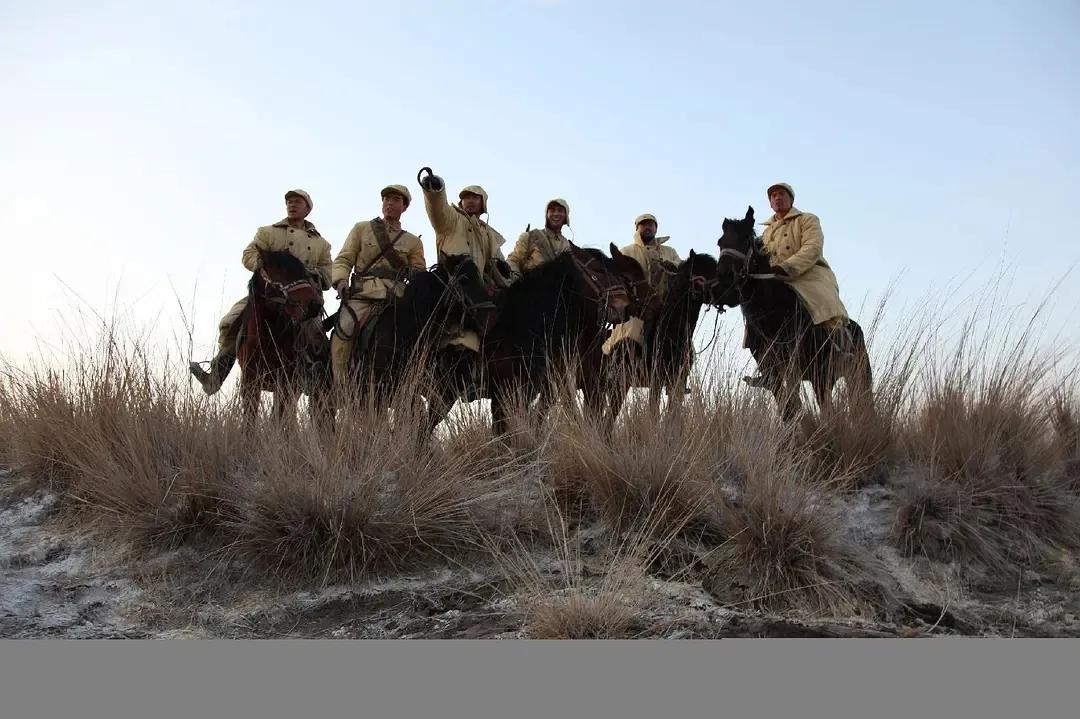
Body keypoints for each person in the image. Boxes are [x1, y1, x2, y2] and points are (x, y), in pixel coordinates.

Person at [188, 189, 332, 395]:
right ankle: (217, 374)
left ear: (308, 209)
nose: (292, 205)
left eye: (298, 202)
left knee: (317, 335)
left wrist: (311, 274)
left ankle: (314, 377)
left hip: (299, 298)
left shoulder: (321, 243)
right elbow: (249, 253)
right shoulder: (268, 232)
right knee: (233, 320)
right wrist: (262, 265)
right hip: (268, 295)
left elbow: (328, 272)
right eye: (289, 202)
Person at [744, 182, 851, 385]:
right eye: (773, 196)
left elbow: (812, 248)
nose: (777, 198)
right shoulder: (765, 232)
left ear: (790, 198)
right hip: (775, 280)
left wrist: (788, 267)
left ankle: (842, 349)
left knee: (824, 305)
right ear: (770, 203)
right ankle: (767, 369)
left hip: (808, 275)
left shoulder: (807, 219)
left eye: (781, 194)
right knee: (754, 317)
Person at [329, 184, 426, 386]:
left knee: (421, 335)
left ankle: (414, 384)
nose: (389, 203)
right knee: (343, 332)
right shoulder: (362, 228)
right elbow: (344, 259)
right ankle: (339, 383)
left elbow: (419, 274)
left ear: (404, 207)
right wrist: (340, 281)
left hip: (397, 296)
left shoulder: (413, 242)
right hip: (364, 293)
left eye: (396, 200)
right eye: (386, 199)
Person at [601, 213, 681, 358]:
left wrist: (671, 265)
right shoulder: (626, 251)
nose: (647, 227)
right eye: (643, 224)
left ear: (656, 228)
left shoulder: (670, 252)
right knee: (626, 342)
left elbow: (682, 269)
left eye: (651, 224)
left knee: (683, 349)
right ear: (637, 228)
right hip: (637, 309)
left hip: (665, 308)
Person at [506, 198, 572, 279]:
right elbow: (514, 260)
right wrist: (516, 280)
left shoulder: (568, 246)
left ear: (566, 216)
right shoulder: (530, 236)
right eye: (552, 210)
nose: (556, 214)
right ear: (547, 214)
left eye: (560, 210)